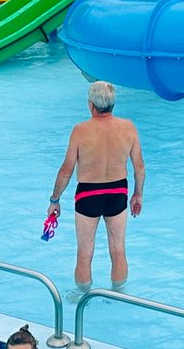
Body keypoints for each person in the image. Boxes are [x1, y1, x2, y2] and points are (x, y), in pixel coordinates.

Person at [48, 80, 145, 298]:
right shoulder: (128, 128)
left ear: (91, 105)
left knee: (84, 251)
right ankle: (119, 294)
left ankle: (83, 297)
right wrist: (138, 194)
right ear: (112, 105)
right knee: (118, 249)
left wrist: (55, 199)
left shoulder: (80, 131)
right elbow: (139, 167)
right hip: (117, 193)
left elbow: (66, 170)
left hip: (88, 194)